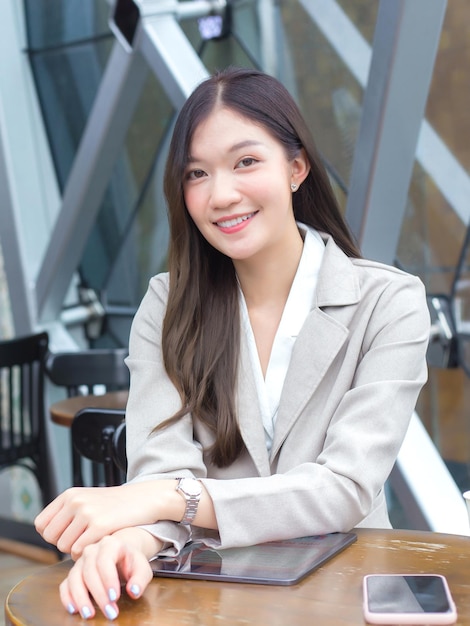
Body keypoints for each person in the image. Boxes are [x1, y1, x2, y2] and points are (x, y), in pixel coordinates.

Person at [35, 66, 430, 621]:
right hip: (210, 596)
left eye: (246, 162)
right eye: (196, 173)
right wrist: (135, 541)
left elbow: (343, 488)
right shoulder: (167, 305)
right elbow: (161, 468)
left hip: (349, 592)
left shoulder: (389, 302)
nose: (221, 194)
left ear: (296, 167)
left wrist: (170, 500)